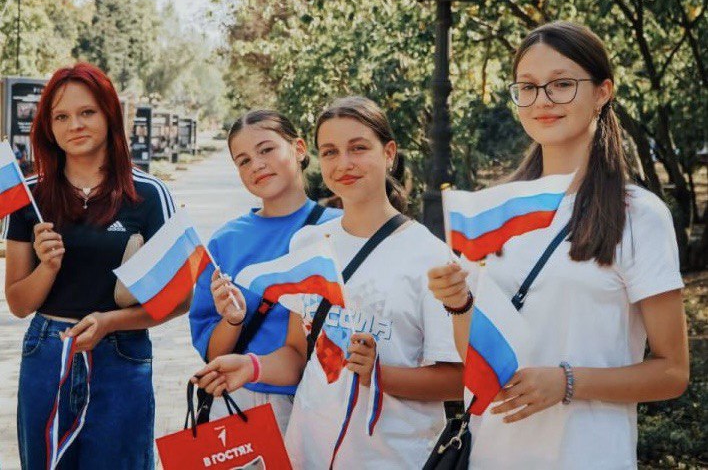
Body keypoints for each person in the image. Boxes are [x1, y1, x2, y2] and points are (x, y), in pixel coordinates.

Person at [428, 21, 689, 469]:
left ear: (602, 92)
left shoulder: (639, 215)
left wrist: (567, 382)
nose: (543, 100)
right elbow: (474, 357)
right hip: (492, 456)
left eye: (562, 84)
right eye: (528, 87)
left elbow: (673, 371)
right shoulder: (494, 209)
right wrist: (458, 303)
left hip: (587, 456)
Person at [194, 96, 463, 469]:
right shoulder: (309, 244)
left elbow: (458, 379)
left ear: (388, 153)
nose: (344, 163)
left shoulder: (430, 257)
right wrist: (250, 366)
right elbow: (296, 354)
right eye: (331, 152)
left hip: (389, 458)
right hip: (308, 452)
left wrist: (379, 376)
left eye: (358, 148)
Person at [3, 62, 181, 469]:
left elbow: (178, 300)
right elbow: (18, 303)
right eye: (61, 117)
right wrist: (47, 267)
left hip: (122, 353)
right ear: (48, 127)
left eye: (87, 112)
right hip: (48, 351)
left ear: (109, 114)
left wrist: (111, 323)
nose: (75, 125)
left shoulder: (149, 195)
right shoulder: (29, 198)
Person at [189, 109, 340, 432]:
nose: (256, 165)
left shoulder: (339, 230)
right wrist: (233, 320)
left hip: (322, 405)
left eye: (266, 150)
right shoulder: (225, 242)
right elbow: (214, 354)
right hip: (239, 405)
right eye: (243, 161)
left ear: (299, 149)